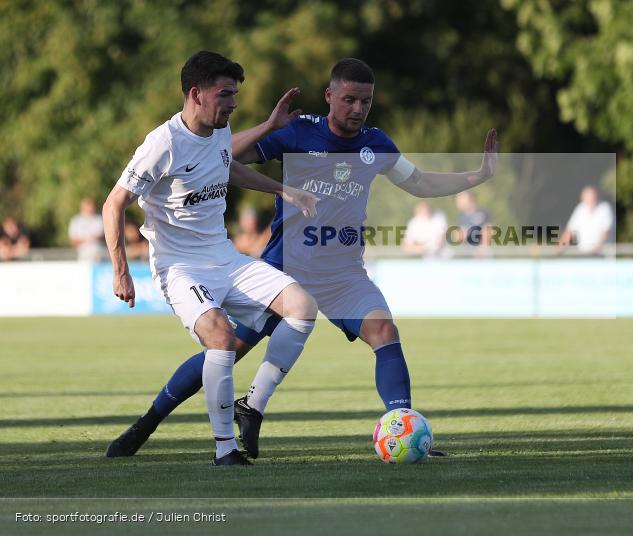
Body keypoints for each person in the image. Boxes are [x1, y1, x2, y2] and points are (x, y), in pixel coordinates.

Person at [105, 57, 498, 459]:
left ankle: (407, 430)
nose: (358, 109)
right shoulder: (297, 132)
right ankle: (148, 423)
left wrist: (478, 175)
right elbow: (227, 158)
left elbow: (420, 182)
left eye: (366, 101)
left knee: (385, 332)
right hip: (284, 264)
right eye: (349, 100)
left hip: (343, 274)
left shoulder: (376, 144)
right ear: (330, 97)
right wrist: (262, 144)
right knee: (228, 348)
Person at [102, 51, 320, 466]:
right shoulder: (162, 143)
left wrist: (283, 190)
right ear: (195, 94)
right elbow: (114, 204)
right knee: (219, 335)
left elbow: (228, 169)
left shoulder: (219, 130)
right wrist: (121, 272)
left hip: (225, 257)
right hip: (179, 266)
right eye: (225, 94)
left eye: (235, 94)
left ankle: (251, 406)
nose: (233, 102)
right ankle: (225, 450)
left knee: (302, 307)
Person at [558, 185, 614, 255]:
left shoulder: (604, 208)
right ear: (583, 198)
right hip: (583, 254)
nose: (591, 200)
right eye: (588, 198)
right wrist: (561, 247)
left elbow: (606, 232)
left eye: (593, 197)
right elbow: (570, 230)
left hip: (602, 255)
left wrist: (596, 249)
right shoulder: (580, 209)